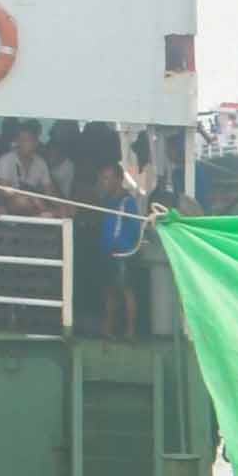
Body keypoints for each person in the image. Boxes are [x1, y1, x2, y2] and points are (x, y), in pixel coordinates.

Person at [99, 144, 153, 341]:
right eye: (102, 178)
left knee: (126, 292)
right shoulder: (108, 200)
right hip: (109, 253)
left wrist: (127, 247)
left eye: (107, 178)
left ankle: (130, 331)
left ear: (118, 179)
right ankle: (108, 328)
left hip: (122, 254)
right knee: (110, 292)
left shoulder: (127, 202)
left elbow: (135, 228)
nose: (103, 182)